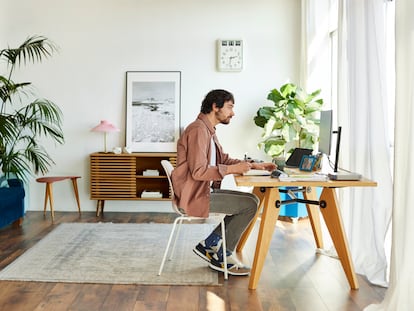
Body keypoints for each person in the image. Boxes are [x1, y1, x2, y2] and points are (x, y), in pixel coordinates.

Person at [171, 89, 276, 276]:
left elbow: (223, 159)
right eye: (229, 107)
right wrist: (233, 170)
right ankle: (223, 256)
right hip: (194, 196)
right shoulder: (198, 130)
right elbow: (199, 171)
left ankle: (210, 244)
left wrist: (254, 166)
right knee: (248, 206)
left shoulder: (207, 130)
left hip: (200, 191)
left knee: (252, 201)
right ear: (215, 106)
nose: (233, 113)